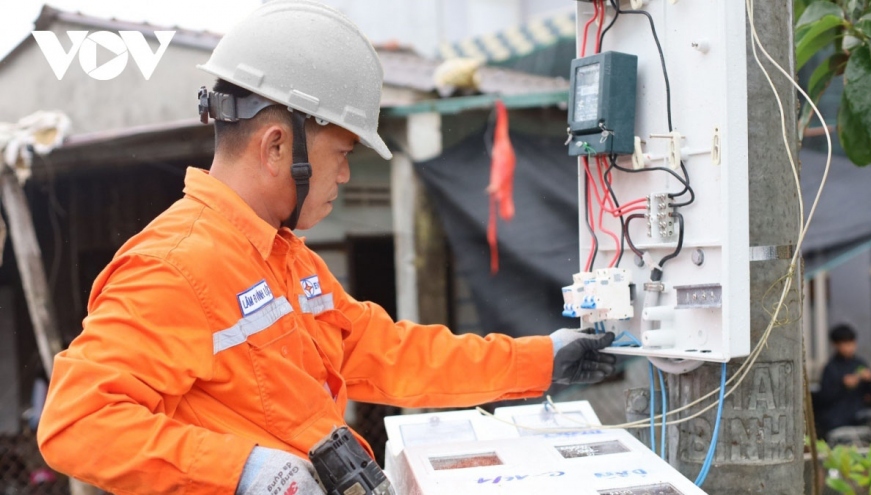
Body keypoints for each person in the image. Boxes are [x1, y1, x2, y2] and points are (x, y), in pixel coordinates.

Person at [36, 1, 616, 494]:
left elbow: (390, 352)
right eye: (341, 154)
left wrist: (542, 360)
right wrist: (244, 471)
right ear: (276, 146)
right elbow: (76, 421)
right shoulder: (175, 265)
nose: (344, 175)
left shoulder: (288, 259)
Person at [816, 324, 871, 436]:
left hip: (858, 417)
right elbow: (823, 398)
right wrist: (842, 384)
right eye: (845, 343)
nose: (849, 347)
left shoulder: (860, 364)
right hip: (837, 421)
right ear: (836, 345)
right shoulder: (831, 368)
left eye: (851, 343)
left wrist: (870, 380)